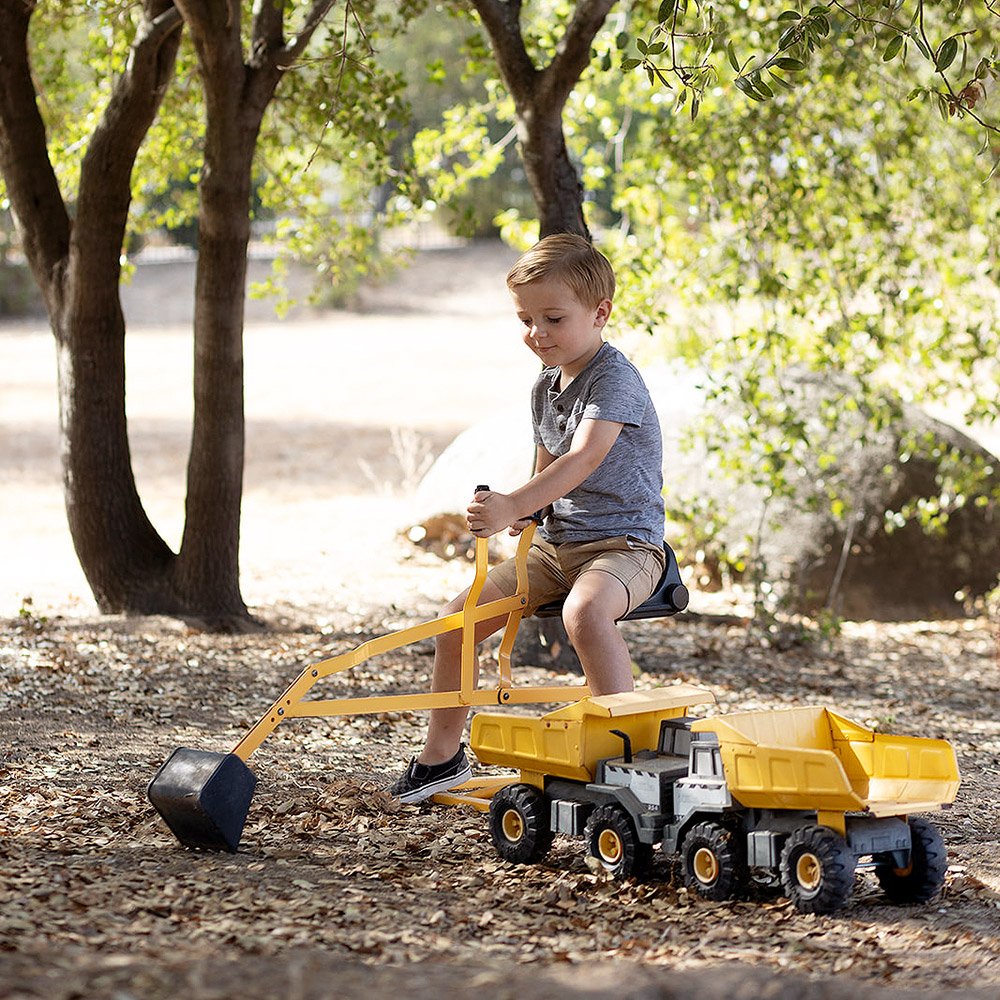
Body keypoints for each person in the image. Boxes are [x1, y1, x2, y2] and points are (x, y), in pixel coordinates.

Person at [386, 233, 665, 803]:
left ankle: (629, 759)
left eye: (553, 318)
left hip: (625, 547)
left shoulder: (614, 380)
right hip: (557, 548)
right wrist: (523, 505)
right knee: (456, 622)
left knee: (585, 615)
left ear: (600, 314)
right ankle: (441, 758)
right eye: (526, 319)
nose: (537, 333)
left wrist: (516, 503)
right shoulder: (545, 384)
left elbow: (585, 456)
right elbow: (550, 463)